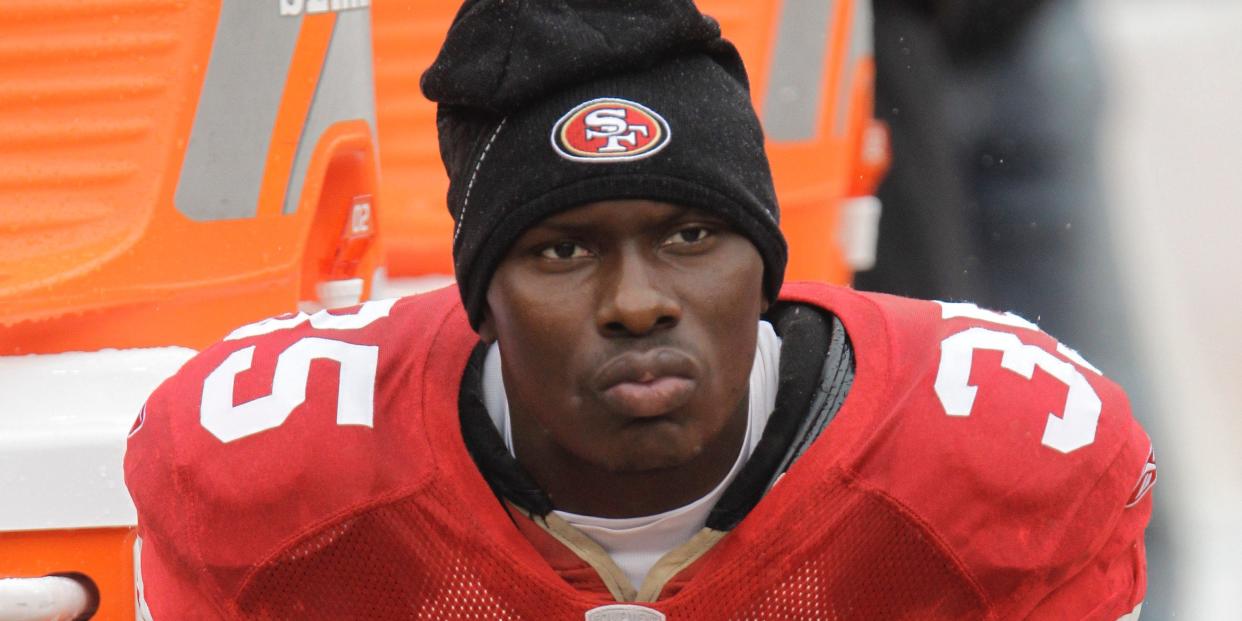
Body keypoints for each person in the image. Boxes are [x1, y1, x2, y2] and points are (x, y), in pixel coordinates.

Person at [124, 1, 1154, 618]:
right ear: (479, 293)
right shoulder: (271, 479)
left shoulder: (1001, 458)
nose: (635, 303)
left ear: (769, 264)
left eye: (691, 235)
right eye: (561, 249)